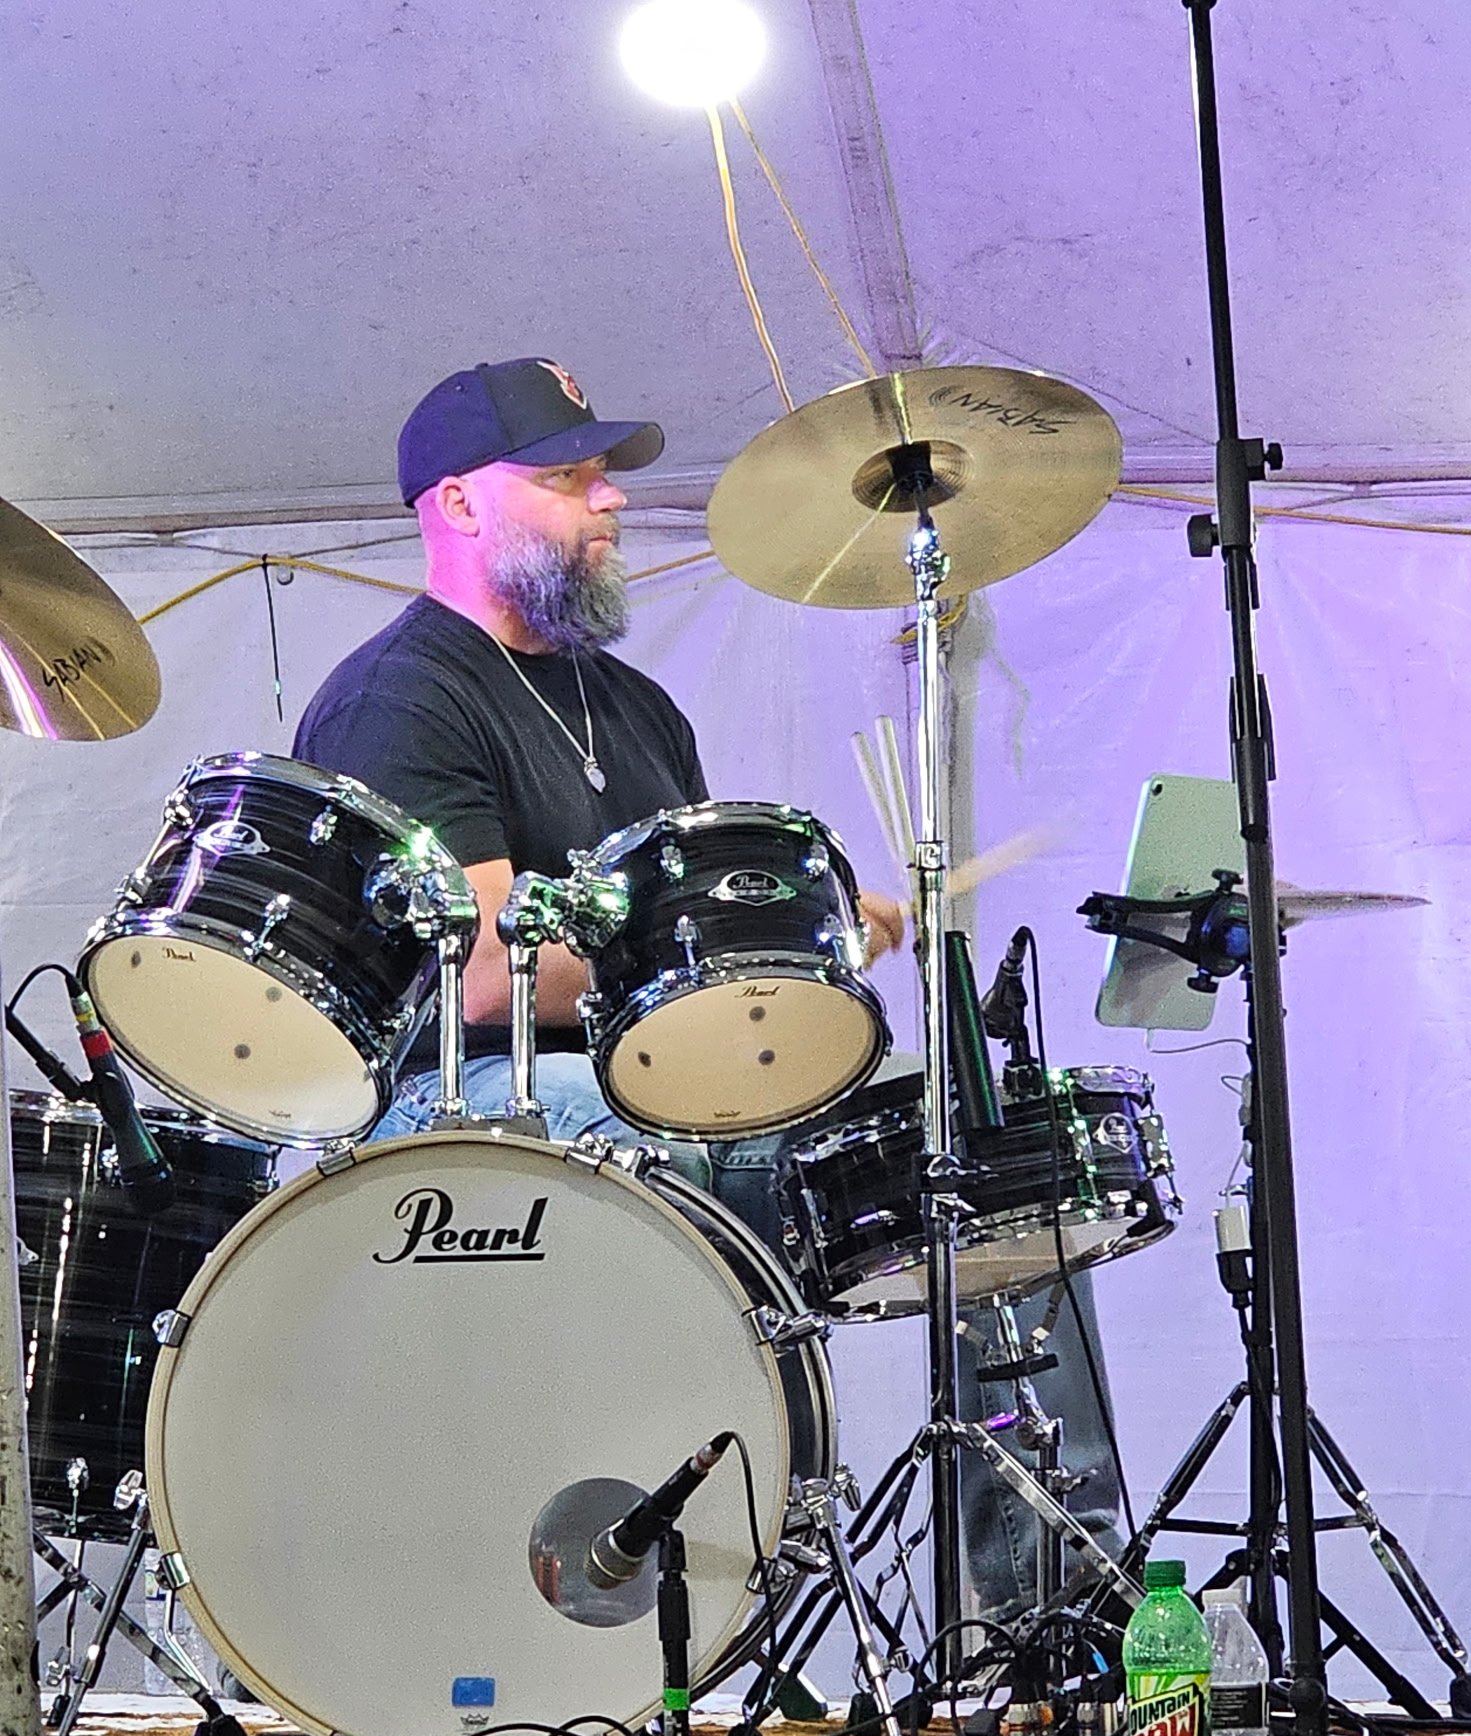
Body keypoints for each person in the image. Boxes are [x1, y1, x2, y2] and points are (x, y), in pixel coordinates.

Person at [294, 355, 1119, 1622]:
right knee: (907, 1168)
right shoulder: (401, 696)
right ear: (459, 507)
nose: (612, 502)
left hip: (657, 1092)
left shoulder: (634, 706)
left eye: (607, 479)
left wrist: (798, 936)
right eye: (567, 480)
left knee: (990, 1160)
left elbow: (683, 950)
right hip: (486, 1110)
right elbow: (485, 971)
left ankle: (1046, 1615)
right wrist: (756, 951)